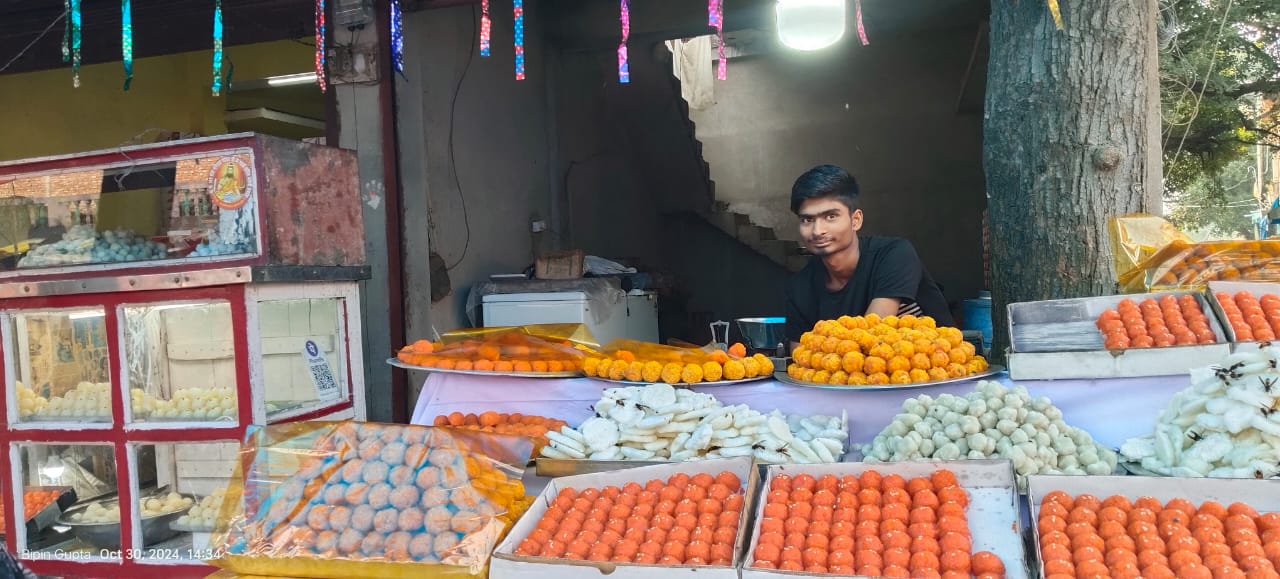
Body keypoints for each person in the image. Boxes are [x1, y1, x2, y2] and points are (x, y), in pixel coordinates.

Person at [784, 164, 953, 349]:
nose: (817, 231)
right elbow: (801, 359)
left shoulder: (894, 255)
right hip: (851, 377)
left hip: (938, 369)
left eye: (831, 217)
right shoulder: (800, 287)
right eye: (807, 220)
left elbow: (872, 338)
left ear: (856, 220)